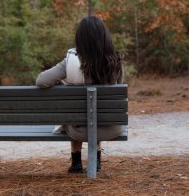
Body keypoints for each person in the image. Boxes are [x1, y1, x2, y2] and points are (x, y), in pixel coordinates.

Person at [36, 16, 125, 173]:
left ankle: (76, 161)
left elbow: (41, 81)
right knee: (95, 111)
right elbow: (116, 94)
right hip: (111, 127)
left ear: (80, 39)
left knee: (74, 115)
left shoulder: (71, 61)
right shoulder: (115, 62)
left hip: (80, 131)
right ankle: (96, 160)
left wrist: (64, 86)